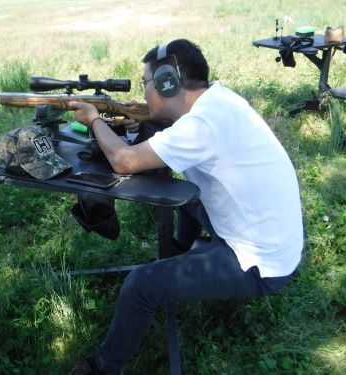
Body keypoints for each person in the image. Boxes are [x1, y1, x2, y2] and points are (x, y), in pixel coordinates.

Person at [69, 39, 303, 375]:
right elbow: (171, 124)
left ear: (168, 82)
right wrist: (141, 118)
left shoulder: (201, 126)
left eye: (146, 83)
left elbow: (123, 160)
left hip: (260, 264)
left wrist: (95, 120)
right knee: (188, 196)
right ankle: (182, 253)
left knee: (141, 286)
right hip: (269, 237)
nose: (144, 92)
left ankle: (104, 368)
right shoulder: (220, 100)